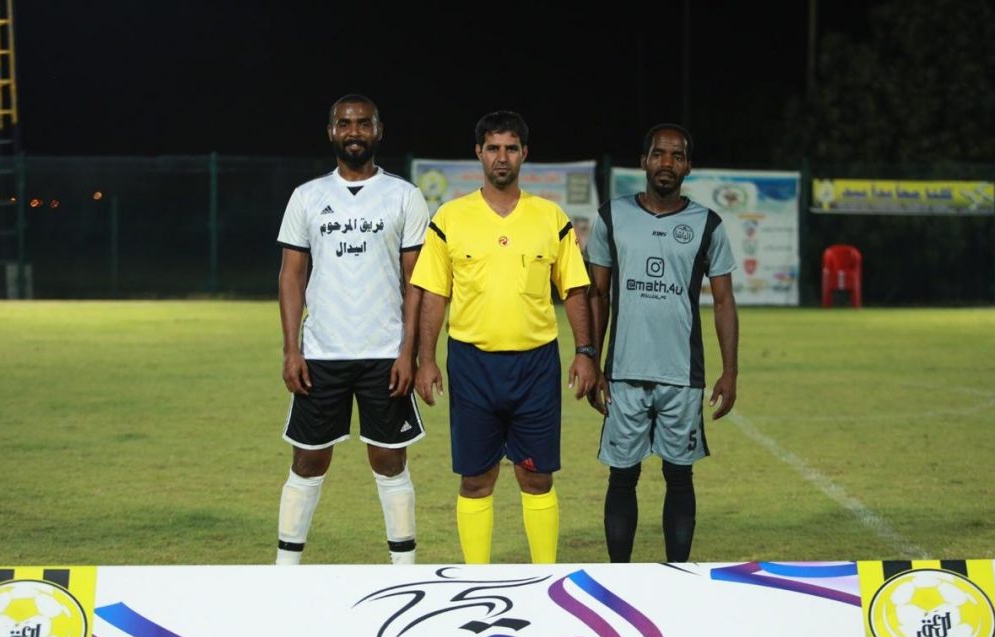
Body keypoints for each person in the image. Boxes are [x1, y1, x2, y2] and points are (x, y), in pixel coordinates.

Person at [411, 110, 597, 565]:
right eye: (493, 148)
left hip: (536, 366)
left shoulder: (550, 217)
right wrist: (426, 359)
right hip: (472, 365)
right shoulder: (450, 217)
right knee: (476, 479)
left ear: (524, 154)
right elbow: (434, 293)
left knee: (537, 478)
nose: (501, 157)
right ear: (478, 153)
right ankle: (477, 577)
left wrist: (585, 352)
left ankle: (544, 575)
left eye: (511, 148)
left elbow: (575, 288)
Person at [274, 94, 429, 565]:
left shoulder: (404, 195)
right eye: (345, 124)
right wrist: (292, 349)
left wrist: (408, 353)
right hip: (322, 352)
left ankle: (403, 571)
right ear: (331, 132)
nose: (354, 132)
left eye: (363, 123)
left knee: (390, 459)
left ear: (378, 131)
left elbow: (416, 282)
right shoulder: (307, 196)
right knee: (308, 459)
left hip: (385, 352)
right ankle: (284, 570)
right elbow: (291, 276)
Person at [587, 123, 739, 563]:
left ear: (688, 166)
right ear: (644, 162)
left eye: (677, 156)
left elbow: (724, 301)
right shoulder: (611, 216)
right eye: (658, 154)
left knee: (679, 476)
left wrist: (730, 371)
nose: (666, 163)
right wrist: (592, 361)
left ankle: (678, 575)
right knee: (622, 477)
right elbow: (597, 296)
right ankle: (620, 575)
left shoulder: (708, 224)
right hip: (623, 373)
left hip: (681, 374)